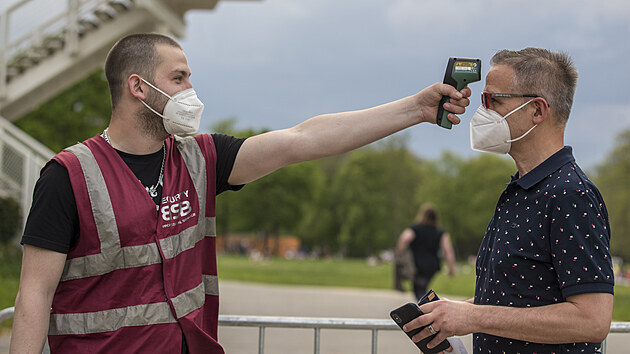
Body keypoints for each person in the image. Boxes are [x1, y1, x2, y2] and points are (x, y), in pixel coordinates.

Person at [9, 33, 471, 354]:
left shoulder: (199, 158)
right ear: (138, 88)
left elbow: (301, 139)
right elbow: (33, 296)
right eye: (179, 78)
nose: (192, 90)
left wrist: (415, 108)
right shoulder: (66, 176)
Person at [403, 48, 614, 353]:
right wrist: (455, 314)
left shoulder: (570, 193)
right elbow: (521, 297)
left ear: (538, 111)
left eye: (494, 101)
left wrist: (476, 317)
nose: (482, 112)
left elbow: (592, 320)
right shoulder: (522, 189)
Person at [394, 203, 456, 300]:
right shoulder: (439, 231)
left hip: (417, 264)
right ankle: (428, 304)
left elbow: (404, 239)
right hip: (432, 265)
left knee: (419, 290)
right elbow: (448, 250)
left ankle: (429, 307)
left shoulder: (415, 228)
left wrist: (399, 253)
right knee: (422, 288)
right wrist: (451, 267)